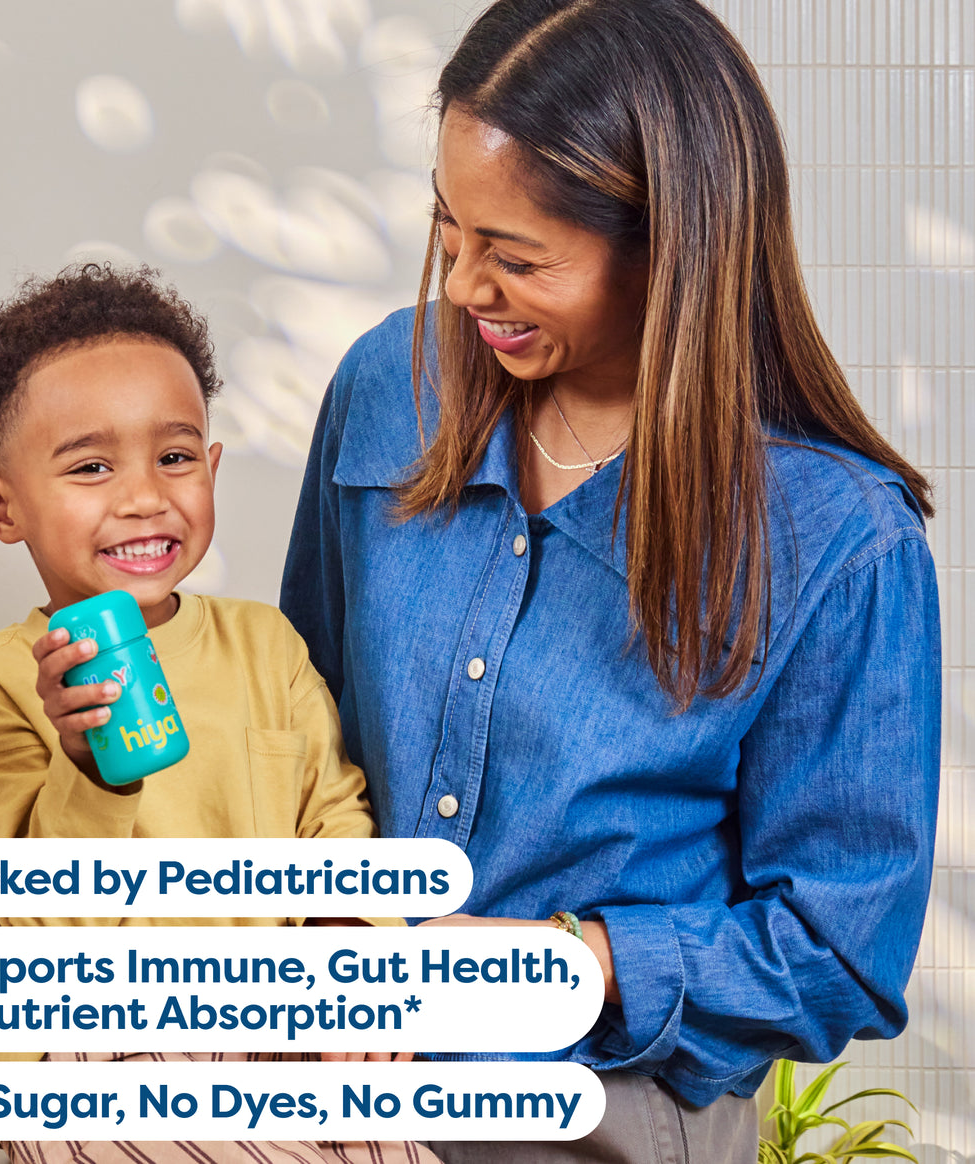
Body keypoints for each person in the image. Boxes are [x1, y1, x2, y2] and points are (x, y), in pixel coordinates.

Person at [280, 1, 941, 1161]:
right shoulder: (392, 383)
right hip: (345, 1063)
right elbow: (297, 723)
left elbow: (837, 956)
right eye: (450, 229)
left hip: (590, 1104)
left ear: (668, 244)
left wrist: (563, 963)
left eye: (519, 257)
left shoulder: (837, 540)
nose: (467, 284)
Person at [0, 263, 431, 1164]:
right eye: (90, 467)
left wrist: (355, 945)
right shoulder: (4, 685)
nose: (145, 497)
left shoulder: (266, 647)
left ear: (212, 466)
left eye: (175, 456)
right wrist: (85, 771)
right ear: (1, 505)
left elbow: (335, 819)